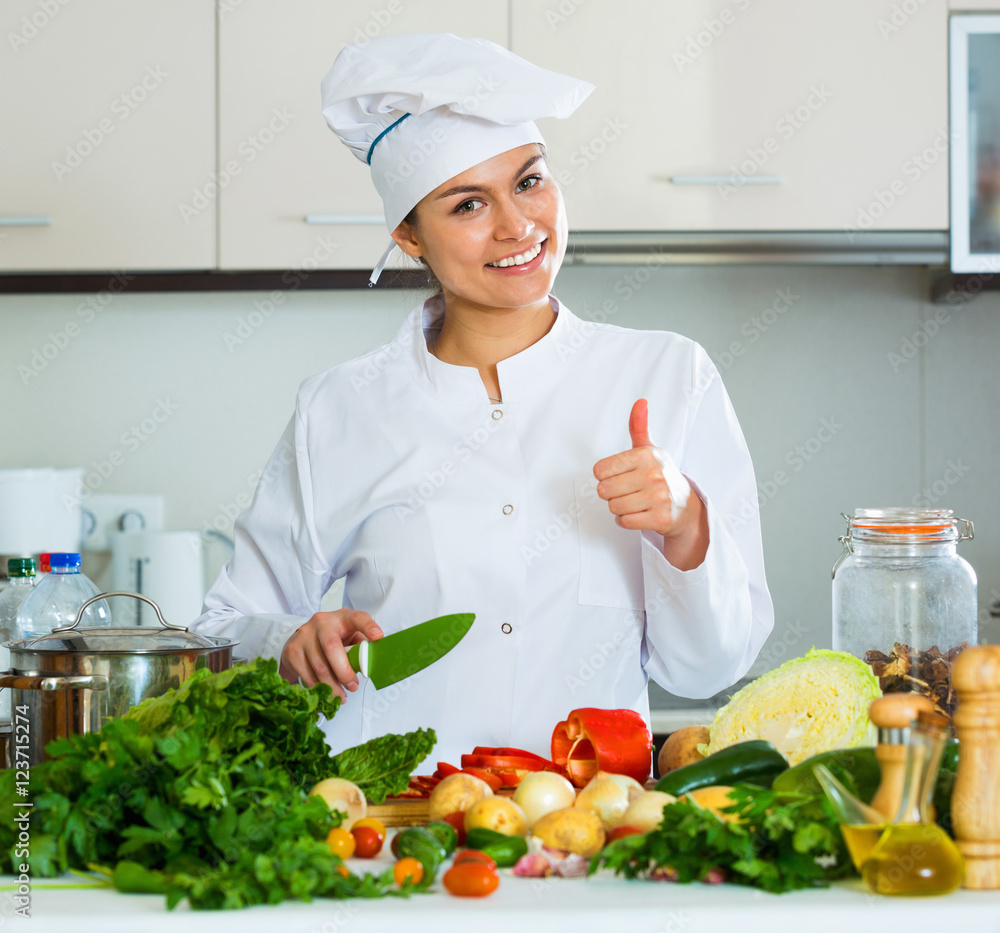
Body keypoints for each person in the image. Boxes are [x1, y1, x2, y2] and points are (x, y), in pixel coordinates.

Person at [192, 34, 774, 763]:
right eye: (468, 204)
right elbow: (223, 625)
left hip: (589, 828)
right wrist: (288, 640)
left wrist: (685, 524)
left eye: (530, 181)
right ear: (408, 235)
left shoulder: (666, 374)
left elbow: (709, 669)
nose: (517, 225)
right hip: (392, 833)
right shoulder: (339, 408)